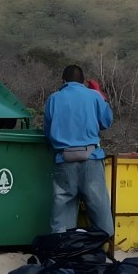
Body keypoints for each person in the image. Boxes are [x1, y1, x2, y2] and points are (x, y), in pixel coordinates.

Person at [43, 64, 115, 238]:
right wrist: (101, 96)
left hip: (64, 158)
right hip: (91, 158)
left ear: (63, 81)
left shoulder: (54, 99)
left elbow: (48, 132)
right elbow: (106, 121)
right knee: (99, 207)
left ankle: (62, 245)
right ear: (83, 81)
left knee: (63, 206)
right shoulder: (93, 96)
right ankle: (103, 241)